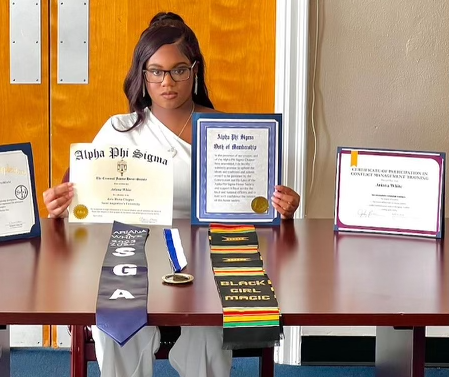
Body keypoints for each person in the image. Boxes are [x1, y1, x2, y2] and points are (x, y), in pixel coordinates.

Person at [43, 12, 300, 377]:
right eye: (156, 71)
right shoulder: (119, 130)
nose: (168, 82)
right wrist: (59, 206)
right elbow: (82, 201)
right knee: (116, 328)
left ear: (195, 70)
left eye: (179, 70)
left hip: (208, 256)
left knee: (210, 326)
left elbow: (259, 206)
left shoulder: (228, 132)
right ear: (142, 75)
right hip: (132, 253)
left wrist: (283, 209)